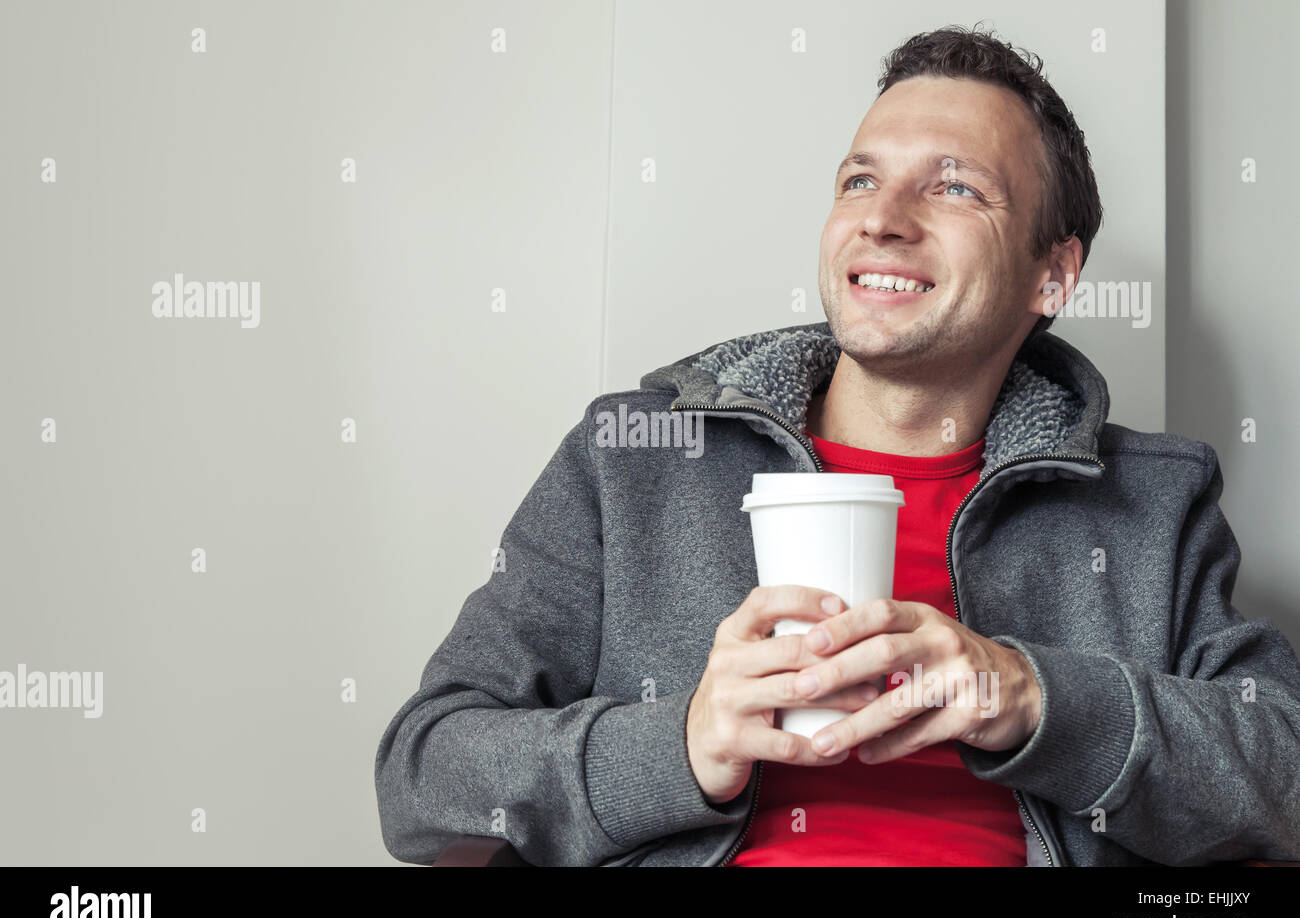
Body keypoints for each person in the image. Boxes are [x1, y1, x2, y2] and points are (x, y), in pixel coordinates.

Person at [374, 25, 1300, 866]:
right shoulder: (633, 460)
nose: (884, 218)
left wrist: (1030, 697)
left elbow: (1283, 771)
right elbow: (421, 773)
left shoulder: (1147, 502)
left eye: (954, 187)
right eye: (861, 179)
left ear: (1052, 275)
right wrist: (682, 744)